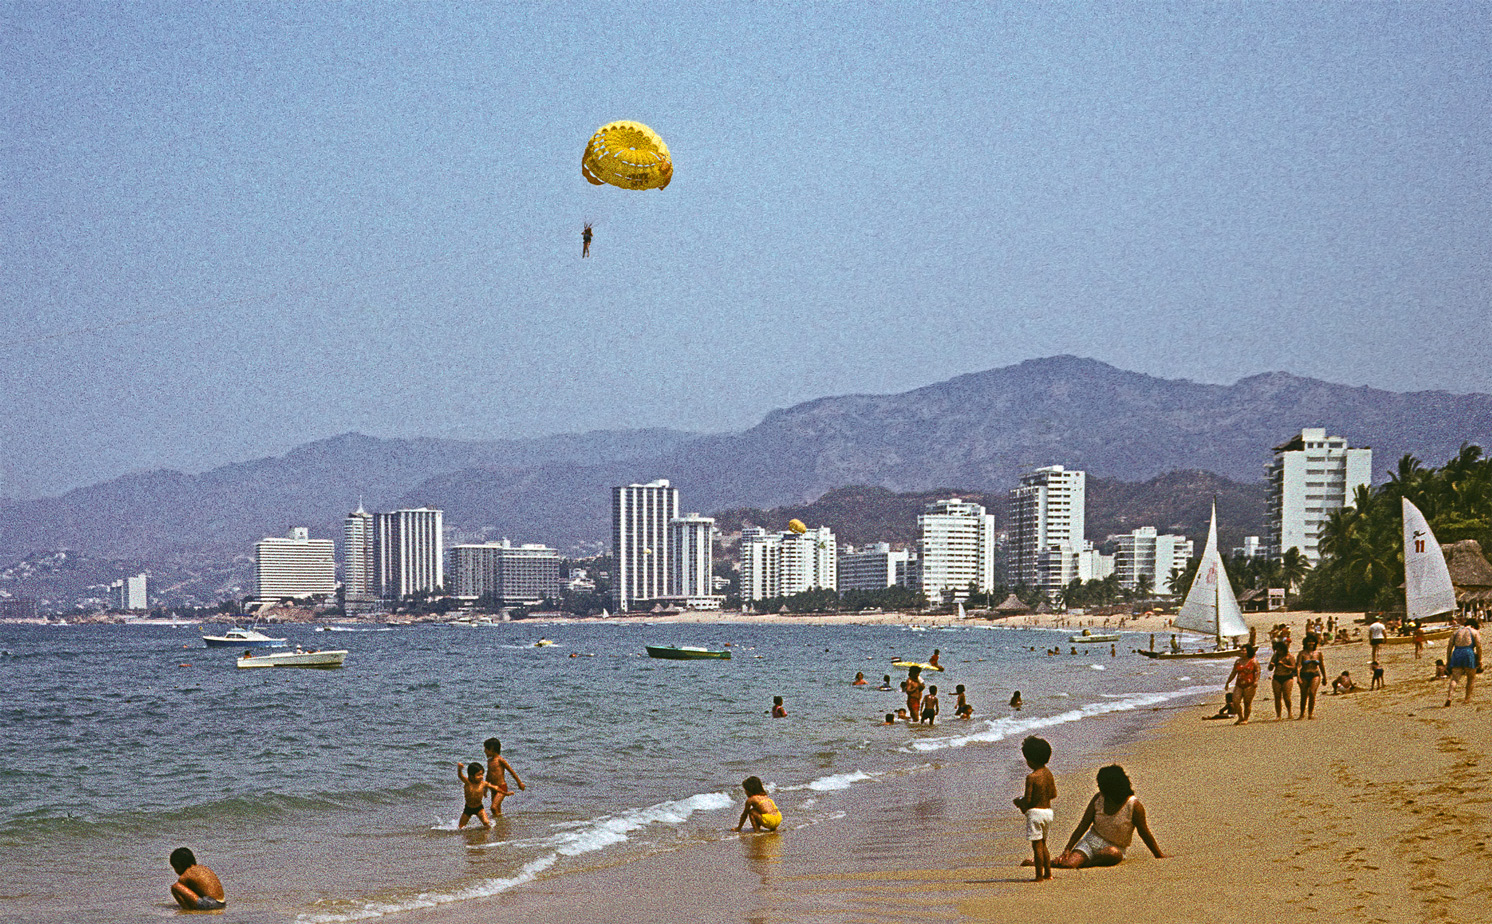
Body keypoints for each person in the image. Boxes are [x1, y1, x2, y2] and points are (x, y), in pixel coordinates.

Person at [1053, 765, 1164, 868]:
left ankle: (1085, 864)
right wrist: (1067, 849)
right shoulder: (1098, 799)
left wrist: (1158, 854)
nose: (1098, 788)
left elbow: (1144, 832)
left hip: (1114, 848)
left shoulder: (1134, 806)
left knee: (1113, 854)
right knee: (1068, 864)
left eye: (1100, 786)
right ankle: (1049, 862)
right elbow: (1083, 825)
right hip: (1090, 841)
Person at [1012, 736, 1057, 882]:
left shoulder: (1031, 777)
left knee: (1036, 846)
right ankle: (1048, 873)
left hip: (1036, 813)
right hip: (1048, 812)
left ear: (1030, 760)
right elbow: (1053, 794)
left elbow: (1029, 800)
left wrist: (1020, 803)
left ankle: (1038, 875)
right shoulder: (1049, 774)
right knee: (1044, 844)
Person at [1445, 617, 1482, 706]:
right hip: (1468, 653)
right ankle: (1467, 699)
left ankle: (1449, 697)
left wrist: (1448, 660)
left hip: (1457, 653)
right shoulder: (1474, 632)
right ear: (1473, 625)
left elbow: (1449, 647)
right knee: (1471, 678)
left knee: (1454, 678)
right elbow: (1479, 646)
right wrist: (1479, 659)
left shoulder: (1456, 632)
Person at [483, 738, 526, 815]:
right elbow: (488, 775)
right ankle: (500, 824)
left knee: (493, 807)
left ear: (492, 748)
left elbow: (511, 771)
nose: (484, 751)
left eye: (486, 749)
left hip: (502, 787)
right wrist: (485, 788)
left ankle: (499, 823)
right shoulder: (489, 761)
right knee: (497, 809)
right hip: (493, 788)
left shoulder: (500, 760)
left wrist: (519, 783)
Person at [457, 761, 503, 829]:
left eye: (482, 774)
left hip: (479, 808)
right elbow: (460, 776)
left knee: (486, 823)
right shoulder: (467, 782)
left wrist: (506, 793)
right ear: (471, 776)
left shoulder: (483, 784)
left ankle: (487, 836)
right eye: (479, 775)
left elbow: (495, 787)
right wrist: (459, 769)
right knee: (460, 827)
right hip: (468, 809)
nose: (481, 777)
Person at [1224, 644, 1260, 725]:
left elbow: (1257, 672)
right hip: (1239, 684)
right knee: (1235, 701)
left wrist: (1256, 681)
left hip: (1250, 684)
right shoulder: (1238, 661)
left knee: (1247, 703)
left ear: (1248, 652)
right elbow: (1233, 673)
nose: (1242, 652)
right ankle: (1240, 717)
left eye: (1244, 651)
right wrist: (1228, 682)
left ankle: (1246, 719)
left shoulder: (1253, 661)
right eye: (1241, 650)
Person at [1297, 634, 1325, 719]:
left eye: (1312, 641)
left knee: (1312, 693)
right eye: (1309, 642)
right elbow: (1298, 666)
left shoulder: (1318, 653)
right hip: (1304, 674)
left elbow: (1321, 666)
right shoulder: (1302, 653)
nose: (1311, 643)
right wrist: (1298, 677)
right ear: (1306, 643)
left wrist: (1324, 677)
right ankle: (1302, 713)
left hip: (1315, 674)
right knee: (1304, 694)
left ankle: (1310, 713)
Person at [1268, 640, 1296, 720]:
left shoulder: (1289, 657)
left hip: (1287, 677)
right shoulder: (1275, 656)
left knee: (1286, 696)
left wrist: (1284, 665)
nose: (1278, 651)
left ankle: (1289, 712)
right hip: (1277, 676)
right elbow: (1270, 669)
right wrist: (1271, 665)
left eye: (1280, 650)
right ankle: (1278, 715)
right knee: (1277, 697)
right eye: (1277, 650)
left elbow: (1293, 667)